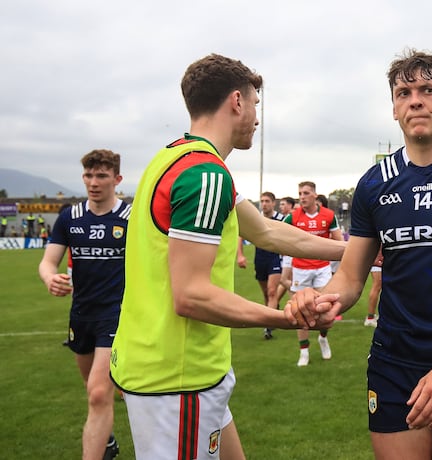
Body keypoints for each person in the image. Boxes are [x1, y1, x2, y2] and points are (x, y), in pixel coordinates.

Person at [108, 53, 345, 459]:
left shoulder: (176, 157)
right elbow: (192, 295)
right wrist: (284, 318)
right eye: (256, 104)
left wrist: (366, 251)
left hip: (183, 368)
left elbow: (268, 231)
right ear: (237, 101)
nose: (257, 117)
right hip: (178, 378)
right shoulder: (205, 175)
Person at [290, 49, 432, 459]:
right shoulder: (374, 183)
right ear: (394, 108)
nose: (415, 99)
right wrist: (323, 298)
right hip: (393, 363)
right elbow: (350, 276)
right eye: (404, 92)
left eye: (428, 89)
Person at [38, 148, 129, 460]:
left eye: (101, 175)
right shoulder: (70, 218)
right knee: (93, 390)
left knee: (99, 392)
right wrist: (50, 278)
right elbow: (48, 262)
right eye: (89, 175)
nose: (94, 181)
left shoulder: (130, 219)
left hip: (116, 316)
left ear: (116, 179)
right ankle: (107, 441)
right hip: (81, 316)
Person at [283, 181, 344, 366]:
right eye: (300, 193)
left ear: (315, 196)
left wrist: (337, 268)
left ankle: (323, 338)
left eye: (306, 193)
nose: (302, 196)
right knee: (298, 310)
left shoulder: (328, 215)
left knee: (324, 308)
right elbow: (283, 238)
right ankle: (304, 351)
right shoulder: (293, 217)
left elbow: (339, 241)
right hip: (300, 270)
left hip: (322, 268)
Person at [254, 191, 286, 339]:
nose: (264, 204)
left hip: (274, 257)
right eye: (262, 201)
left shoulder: (281, 219)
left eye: (267, 201)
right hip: (260, 258)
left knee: (272, 291)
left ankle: (268, 327)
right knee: (267, 293)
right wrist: (240, 255)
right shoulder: (256, 218)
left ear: (273, 203)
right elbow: (242, 235)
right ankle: (273, 311)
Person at [363, 249, 383, 327]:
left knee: (378, 286)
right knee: (377, 286)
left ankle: (372, 316)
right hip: (378, 260)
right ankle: (370, 318)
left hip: (378, 259)